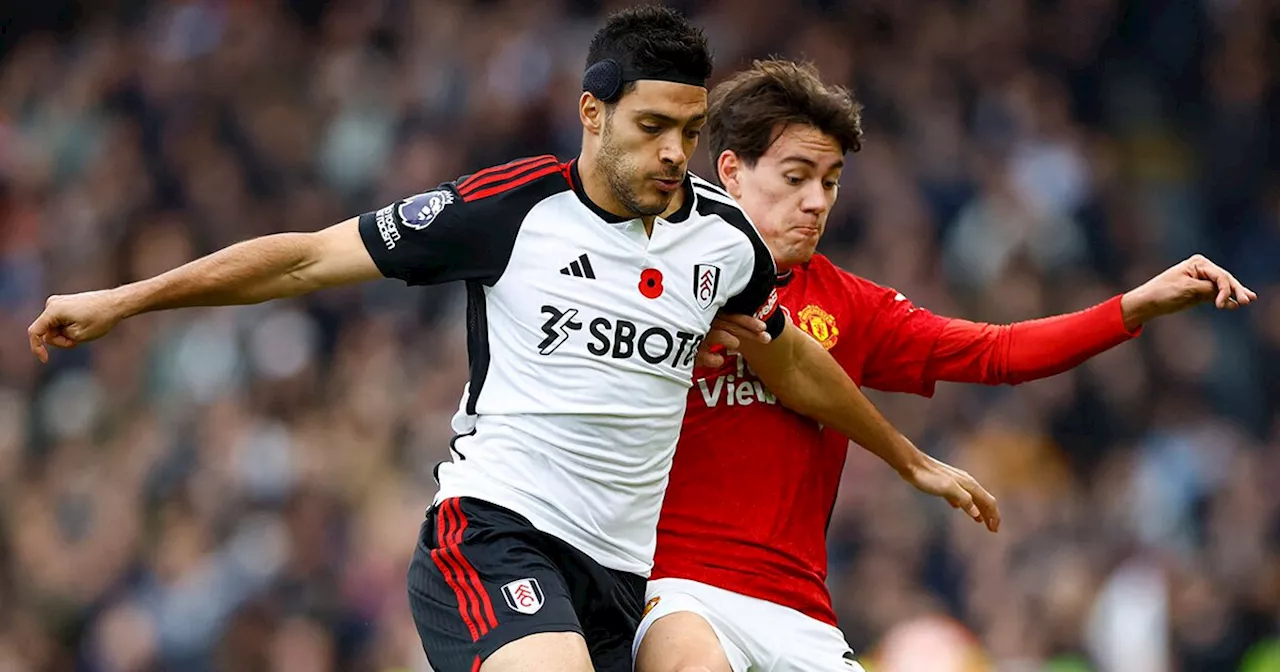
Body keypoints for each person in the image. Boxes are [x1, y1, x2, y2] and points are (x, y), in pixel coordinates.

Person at [24, 10, 1000, 672]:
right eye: (652, 125)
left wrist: (906, 459)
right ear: (592, 114)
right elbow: (302, 261)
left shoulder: (722, 240)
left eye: (690, 131)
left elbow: (785, 356)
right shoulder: (509, 210)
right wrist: (122, 299)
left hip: (620, 580)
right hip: (494, 533)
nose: (673, 152)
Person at [633, 58, 1257, 672]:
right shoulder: (652, 279)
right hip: (686, 589)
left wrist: (1133, 305)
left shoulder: (853, 306)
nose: (816, 201)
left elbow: (998, 353)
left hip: (802, 614)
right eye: (796, 177)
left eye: (830, 182)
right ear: (731, 172)